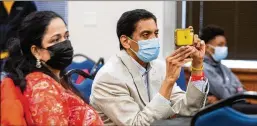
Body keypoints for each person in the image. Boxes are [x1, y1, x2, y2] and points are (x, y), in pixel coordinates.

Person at [90, 9, 209, 126]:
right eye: (146, 35)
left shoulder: (158, 66)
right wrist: (168, 81)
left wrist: (197, 66)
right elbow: (136, 124)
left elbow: (189, 109)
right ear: (126, 41)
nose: (154, 39)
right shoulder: (109, 77)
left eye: (156, 33)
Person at [2, 11, 103, 125]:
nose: (65, 44)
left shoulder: (55, 80)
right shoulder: (43, 89)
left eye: (66, 36)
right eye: (55, 40)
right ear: (36, 51)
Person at [200, 25, 244, 104]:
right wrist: (234, 90)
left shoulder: (224, 68)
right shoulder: (203, 68)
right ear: (206, 48)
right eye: (220, 45)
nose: (224, 48)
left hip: (235, 105)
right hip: (222, 110)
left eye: (225, 45)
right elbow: (225, 95)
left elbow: (241, 91)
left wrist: (220, 98)